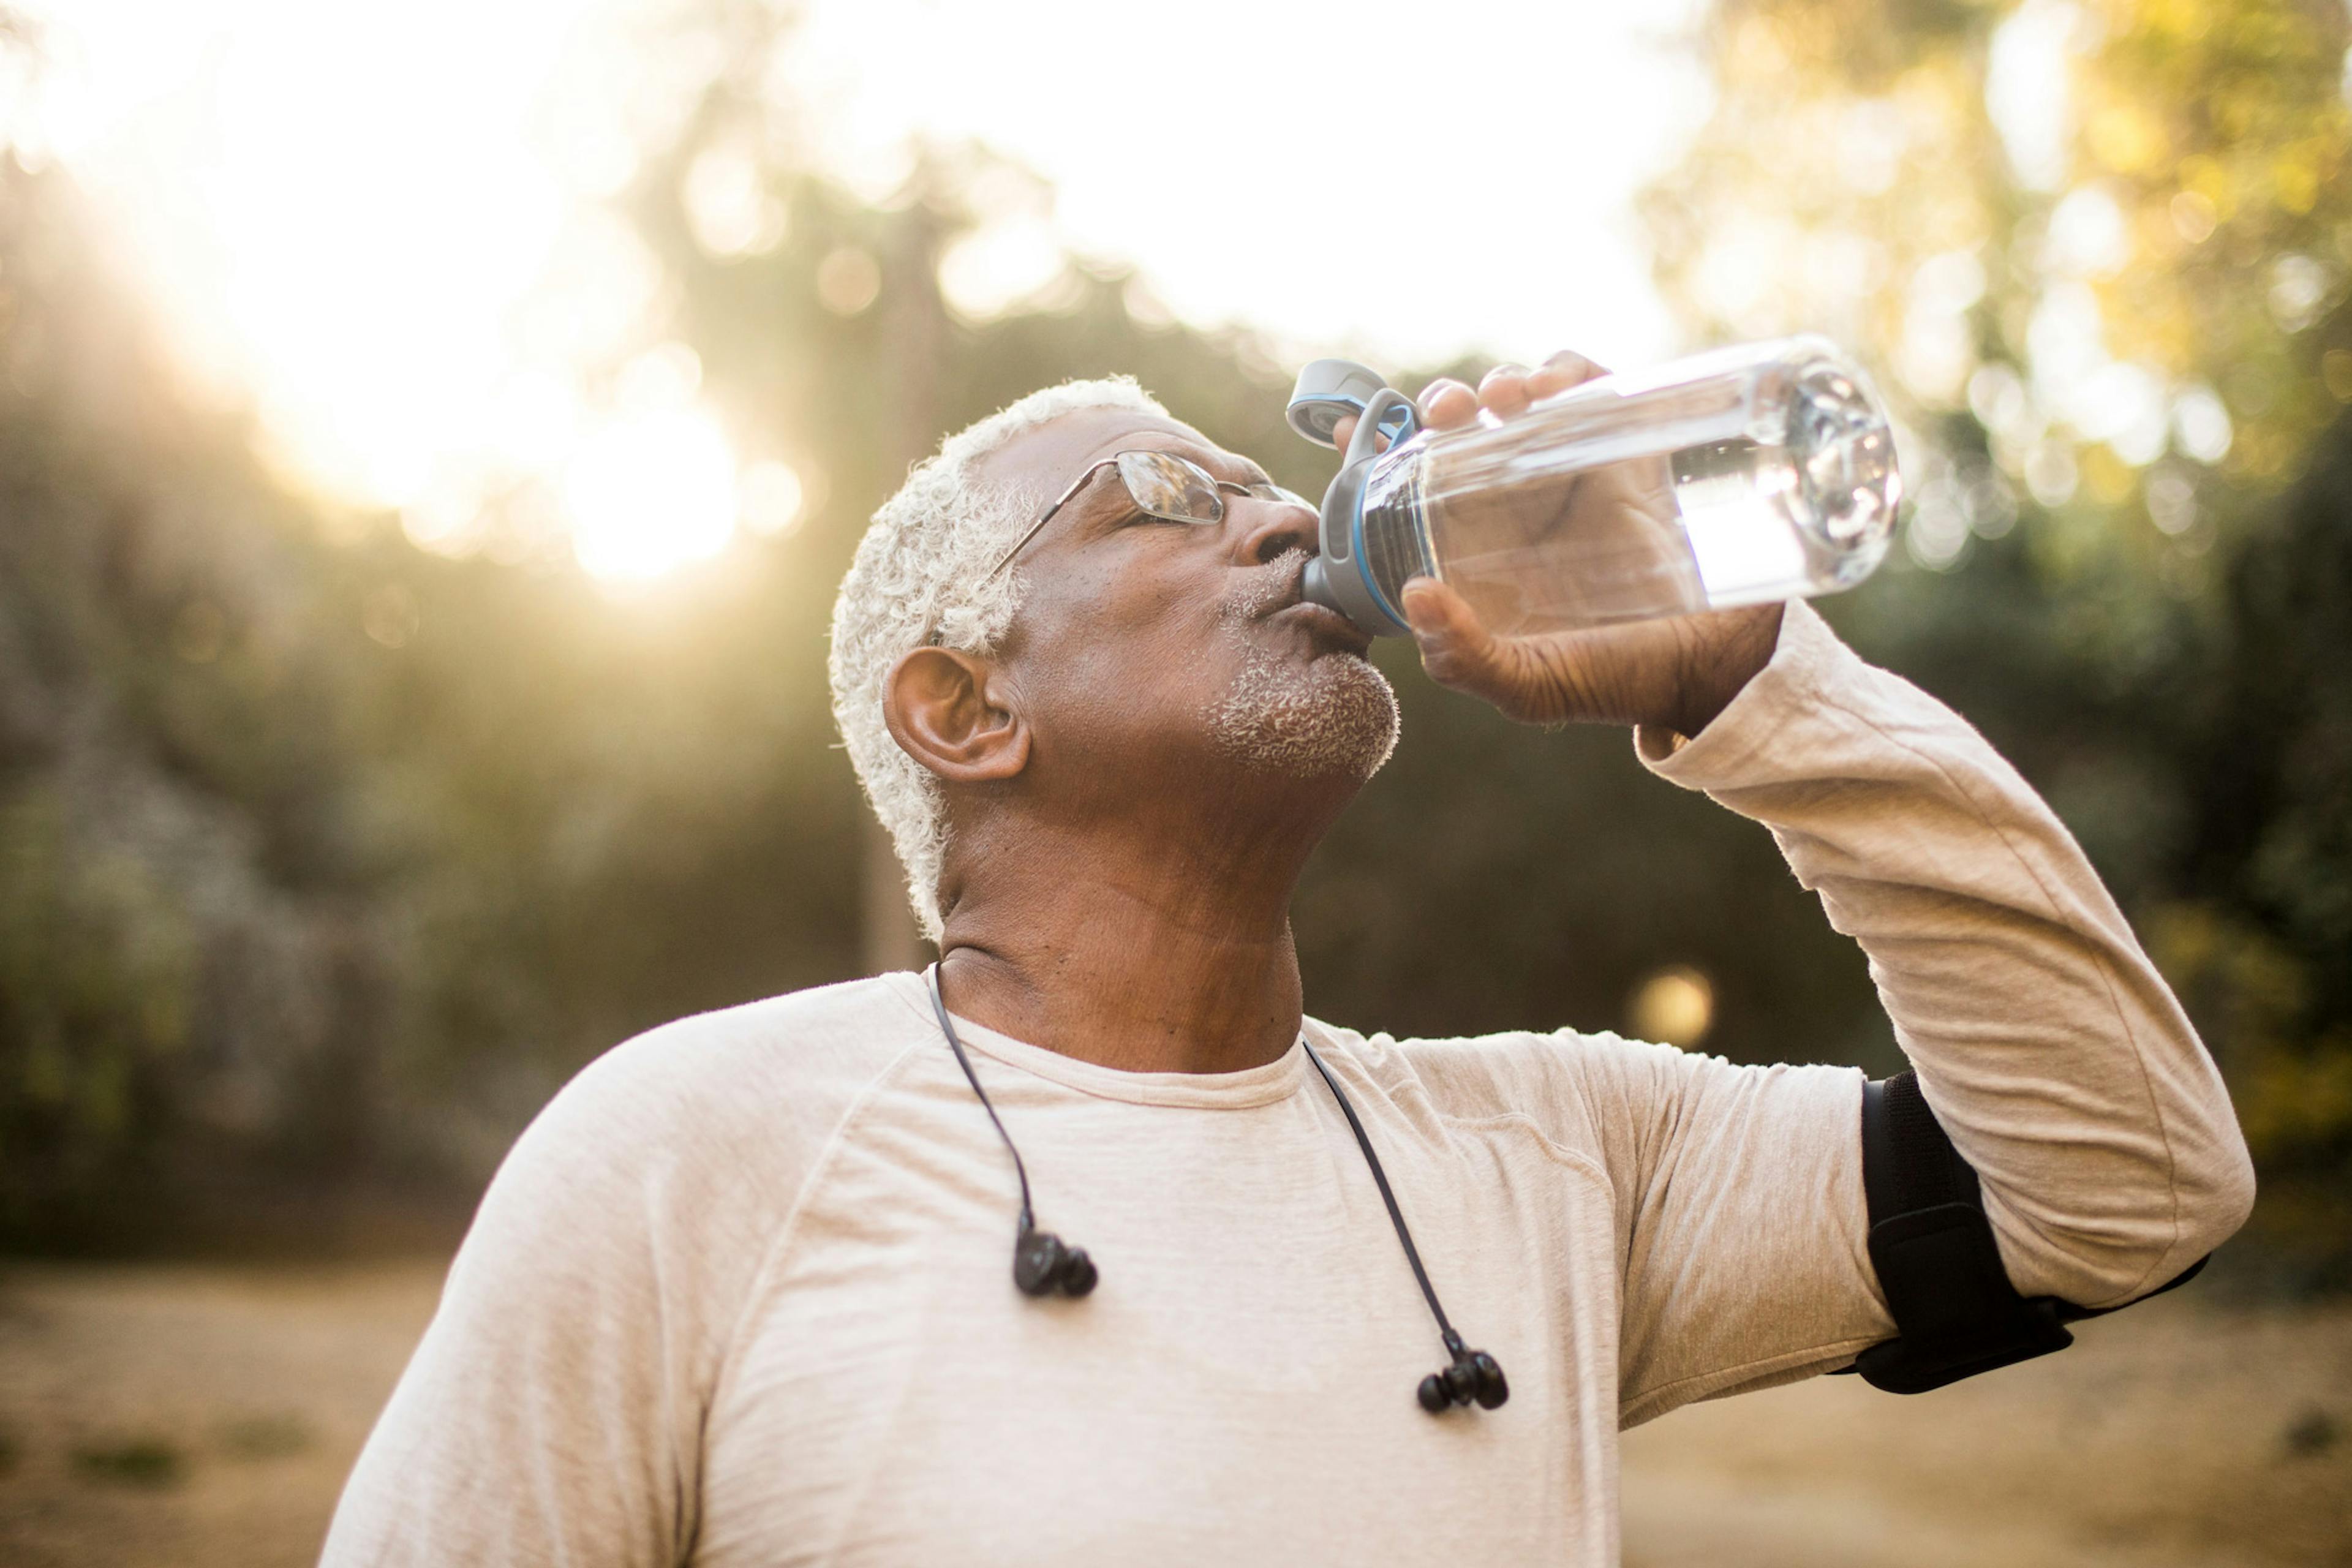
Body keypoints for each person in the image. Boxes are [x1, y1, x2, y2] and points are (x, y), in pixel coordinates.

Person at [322, 353, 2255, 1567]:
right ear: (964, 709)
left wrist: (1752, 683)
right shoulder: (693, 1149)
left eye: (1260, 474)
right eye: (1162, 497)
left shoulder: (1563, 1158)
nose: (1270, 510)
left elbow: (2126, 1182)